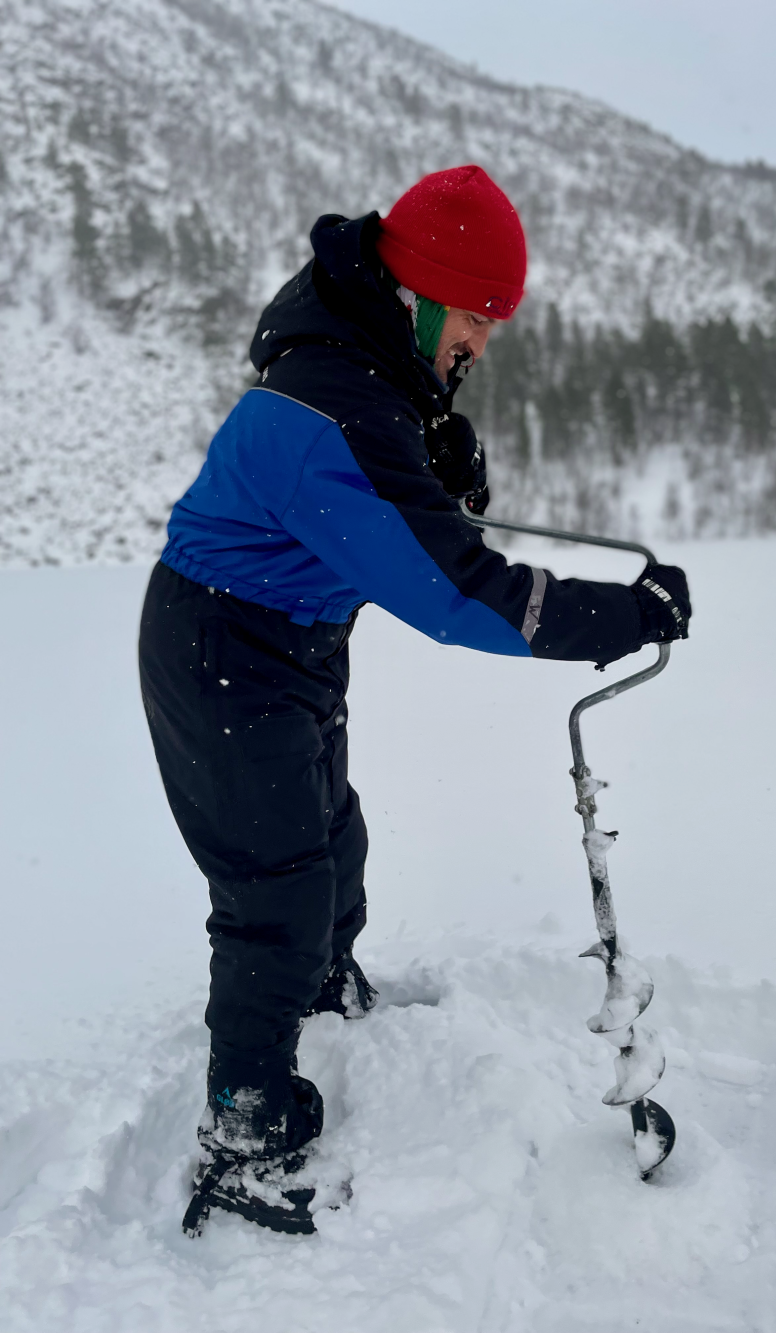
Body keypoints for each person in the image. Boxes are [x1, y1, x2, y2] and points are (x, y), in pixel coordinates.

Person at [138, 164, 692, 1234]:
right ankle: (245, 1130)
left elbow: (404, 505)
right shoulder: (332, 408)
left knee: (330, 843)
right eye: (477, 318)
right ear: (419, 294)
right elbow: (455, 595)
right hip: (221, 642)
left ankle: (319, 995)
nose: (482, 343)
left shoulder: (363, 370)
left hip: (290, 639)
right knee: (275, 884)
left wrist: (430, 447)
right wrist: (619, 617)